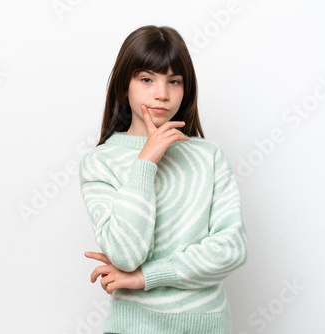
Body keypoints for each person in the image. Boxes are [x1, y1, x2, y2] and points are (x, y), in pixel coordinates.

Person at [78, 25, 249, 334]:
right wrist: (145, 161)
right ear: (123, 87)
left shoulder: (208, 156)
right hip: (133, 327)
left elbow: (231, 248)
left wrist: (147, 277)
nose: (162, 94)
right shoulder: (101, 162)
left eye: (174, 81)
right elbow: (126, 255)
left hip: (207, 326)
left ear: (186, 90)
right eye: (147, 79)